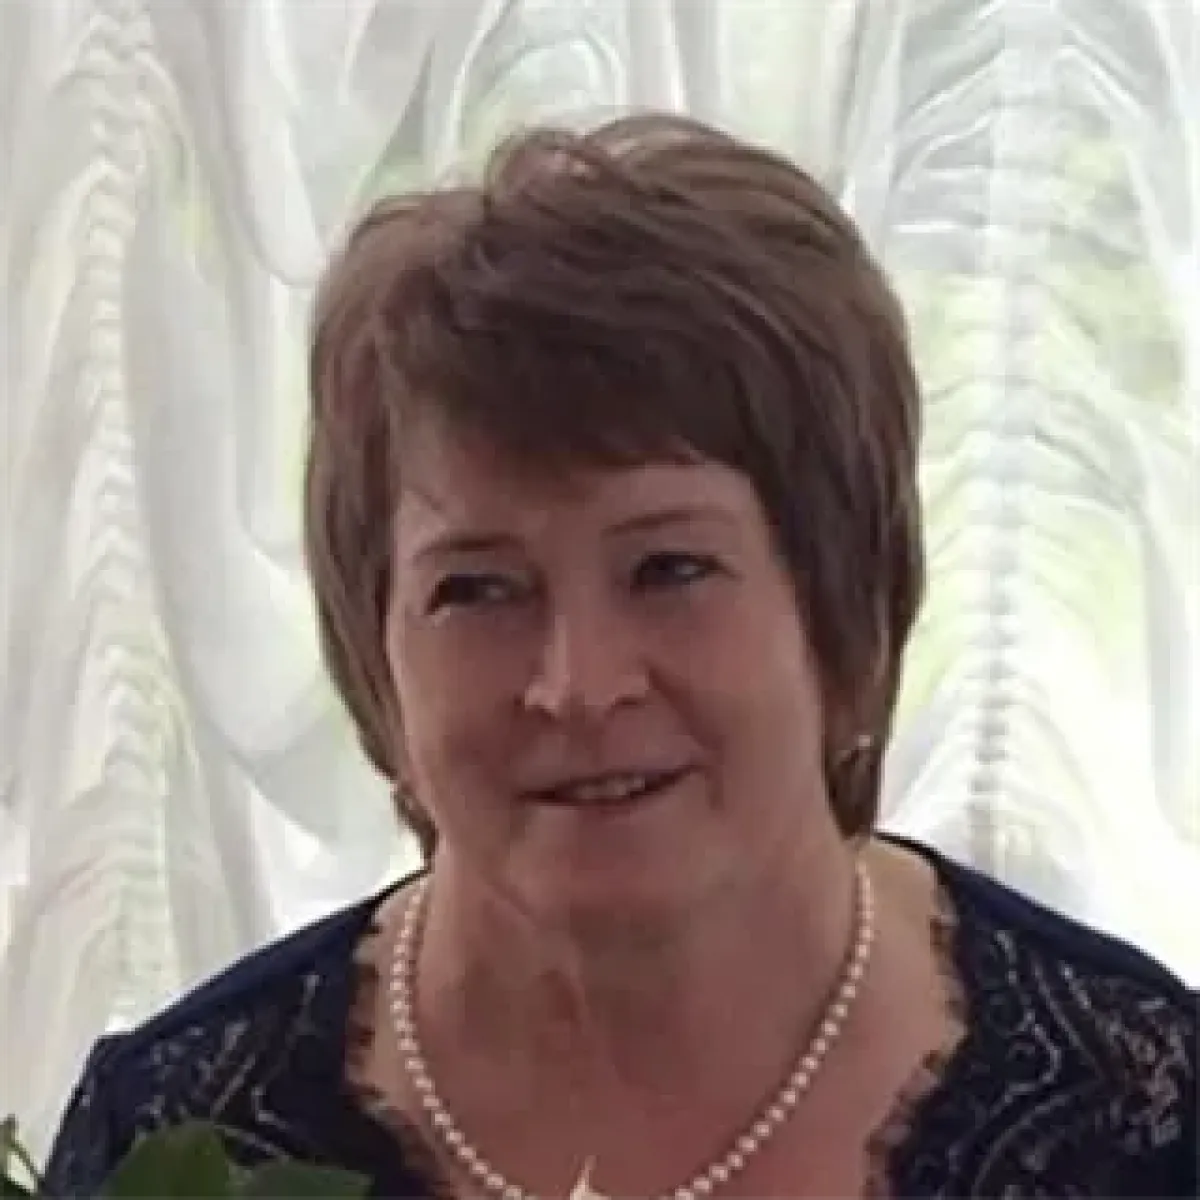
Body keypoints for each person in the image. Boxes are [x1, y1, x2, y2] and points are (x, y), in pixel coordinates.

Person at [44, 112, 1199, 1200]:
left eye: (669, 568)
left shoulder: (1143, 1118)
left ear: (841, 603)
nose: (578, 686)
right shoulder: (179, 1139)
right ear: (374, 648)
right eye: (476, 588)